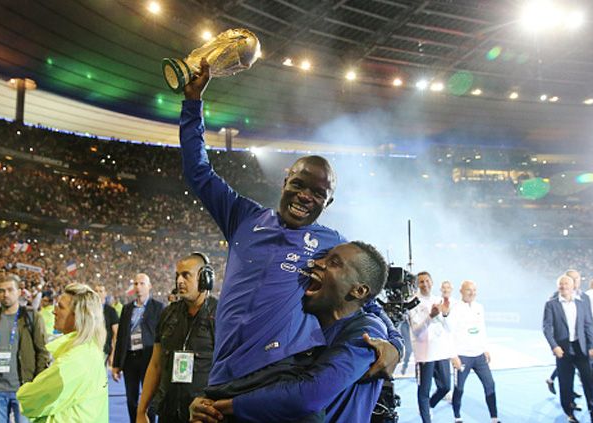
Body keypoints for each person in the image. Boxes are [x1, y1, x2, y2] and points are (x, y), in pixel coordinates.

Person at [179, 59, 403, 408]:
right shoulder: (242, 216)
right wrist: (193, 103)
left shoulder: (331, 245)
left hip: (279, 373)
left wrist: (396, 344)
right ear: (284, 182)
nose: (305, 196)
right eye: (299, 185)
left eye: (318, 193)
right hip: (222, 375)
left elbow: (366, 297)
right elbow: (198, 171)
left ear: (327, 204)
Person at [191, 242, 389, 423]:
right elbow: (263, 379)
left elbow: (310, 396)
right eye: (323, 258)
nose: (317, 263)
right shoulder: (305, 328)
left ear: (359, 291)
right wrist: (207, 402)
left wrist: (226, 406)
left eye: (334, 263)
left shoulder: (367, 331)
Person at [136, 253, 218, 423]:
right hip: (168, 412)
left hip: (202, 415)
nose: (179, 281)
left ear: (204, 278)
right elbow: (156, 364)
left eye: (186, 275)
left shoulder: (220, 316)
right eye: (177, 276)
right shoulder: (167, 314)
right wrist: (141, 410)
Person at [16, 283, 108, 422]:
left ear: (78, 316)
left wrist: (23, 393)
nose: (54, 311)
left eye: (61, 307)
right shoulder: (89, 350)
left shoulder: (75, 360)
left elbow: (30, 399)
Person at [0, 274, 50, 423]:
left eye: (10, 290)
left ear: (19, 292)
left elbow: (42, 351)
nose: (6, 294)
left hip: (24, 389)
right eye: (1, 291)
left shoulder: (31, 317)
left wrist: (38, 385)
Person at [542, 274, 593, 423]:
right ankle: (570, 414)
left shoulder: (581, 303)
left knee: (588, 381)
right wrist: (554, 346)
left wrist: (592, 346)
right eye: (561, 284)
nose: (563, 286)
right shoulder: (551, 304)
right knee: (566, 383)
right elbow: (547, 328)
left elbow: (589, 325)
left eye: (566, 284)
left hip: (581, 349)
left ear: (573, 287)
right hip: (562, 350)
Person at [112, 273, 165, 422]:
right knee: (131, 399)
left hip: (150, 359)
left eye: (142, 284)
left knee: (151, 398)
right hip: (130, 359)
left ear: (149, 286)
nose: (138, 287)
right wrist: (116, 364)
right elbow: (121, 336)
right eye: (135, 284)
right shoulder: (127, 309)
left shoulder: (158, 307)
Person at [408, 271, 459, 423]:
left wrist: (445, 314)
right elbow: (416, 330)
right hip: (425, 353)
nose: (425, 284)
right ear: (417, 284)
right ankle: (426, 418)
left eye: (427, 281)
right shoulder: (413, 302)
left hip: (441, 351)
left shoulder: (439, 300)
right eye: (421, 282)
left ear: (432, 282)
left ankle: (428, 406)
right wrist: (430, 316)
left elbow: (449, 328)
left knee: (445, 387)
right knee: (424, 389)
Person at [449, 281, 499, 423]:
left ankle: (494, 418)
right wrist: (453, 355)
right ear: (461, 291)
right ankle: (457, 417)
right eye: (468, 290)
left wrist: (485, 348)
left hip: (479, 356)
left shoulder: (479, 307)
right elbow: (449, 333)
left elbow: (482, 329)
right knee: (459, 388)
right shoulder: (455, 308)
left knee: (490, 384)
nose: (472, 293)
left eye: (474, 290)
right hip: (462, 356)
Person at [95, 283, 120, 366]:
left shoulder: (111, 311)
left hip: (104, 350)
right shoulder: (89, 310)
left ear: (105, 293)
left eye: (100, 291)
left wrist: (113, 354)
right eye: (96, 291)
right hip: (90, 348)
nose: (98, 293)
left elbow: (116, 334)